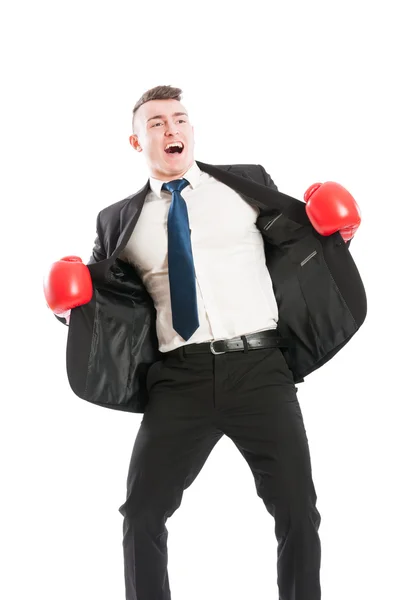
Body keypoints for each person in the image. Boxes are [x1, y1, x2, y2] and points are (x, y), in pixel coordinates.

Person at [44, 85, 366, 600]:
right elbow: (102, 304)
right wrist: (68, 310)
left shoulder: (246, 183)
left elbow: (300, 242)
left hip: (260, 369)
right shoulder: (116, 221)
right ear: (136, 142)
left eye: (180, 119)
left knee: (298, 510)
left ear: (191, 130)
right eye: (157, 123)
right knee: (143, 512)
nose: (171, 129)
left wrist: (336, 241)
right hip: (179, 379)